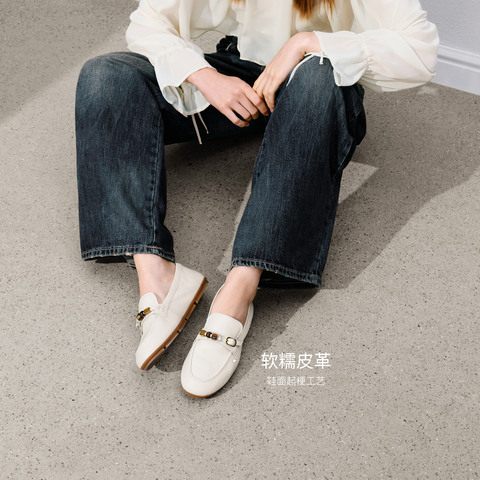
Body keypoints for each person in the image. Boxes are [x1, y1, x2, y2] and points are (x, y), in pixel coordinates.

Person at [75, 0, 439, 398]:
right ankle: (157, 274)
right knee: (105, 75)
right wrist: (207, 77)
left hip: (318, 86)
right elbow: (148, 21)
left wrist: (305, 42)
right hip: (244, 78)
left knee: (320, 72)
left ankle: (239, 289)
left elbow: (420, 51)